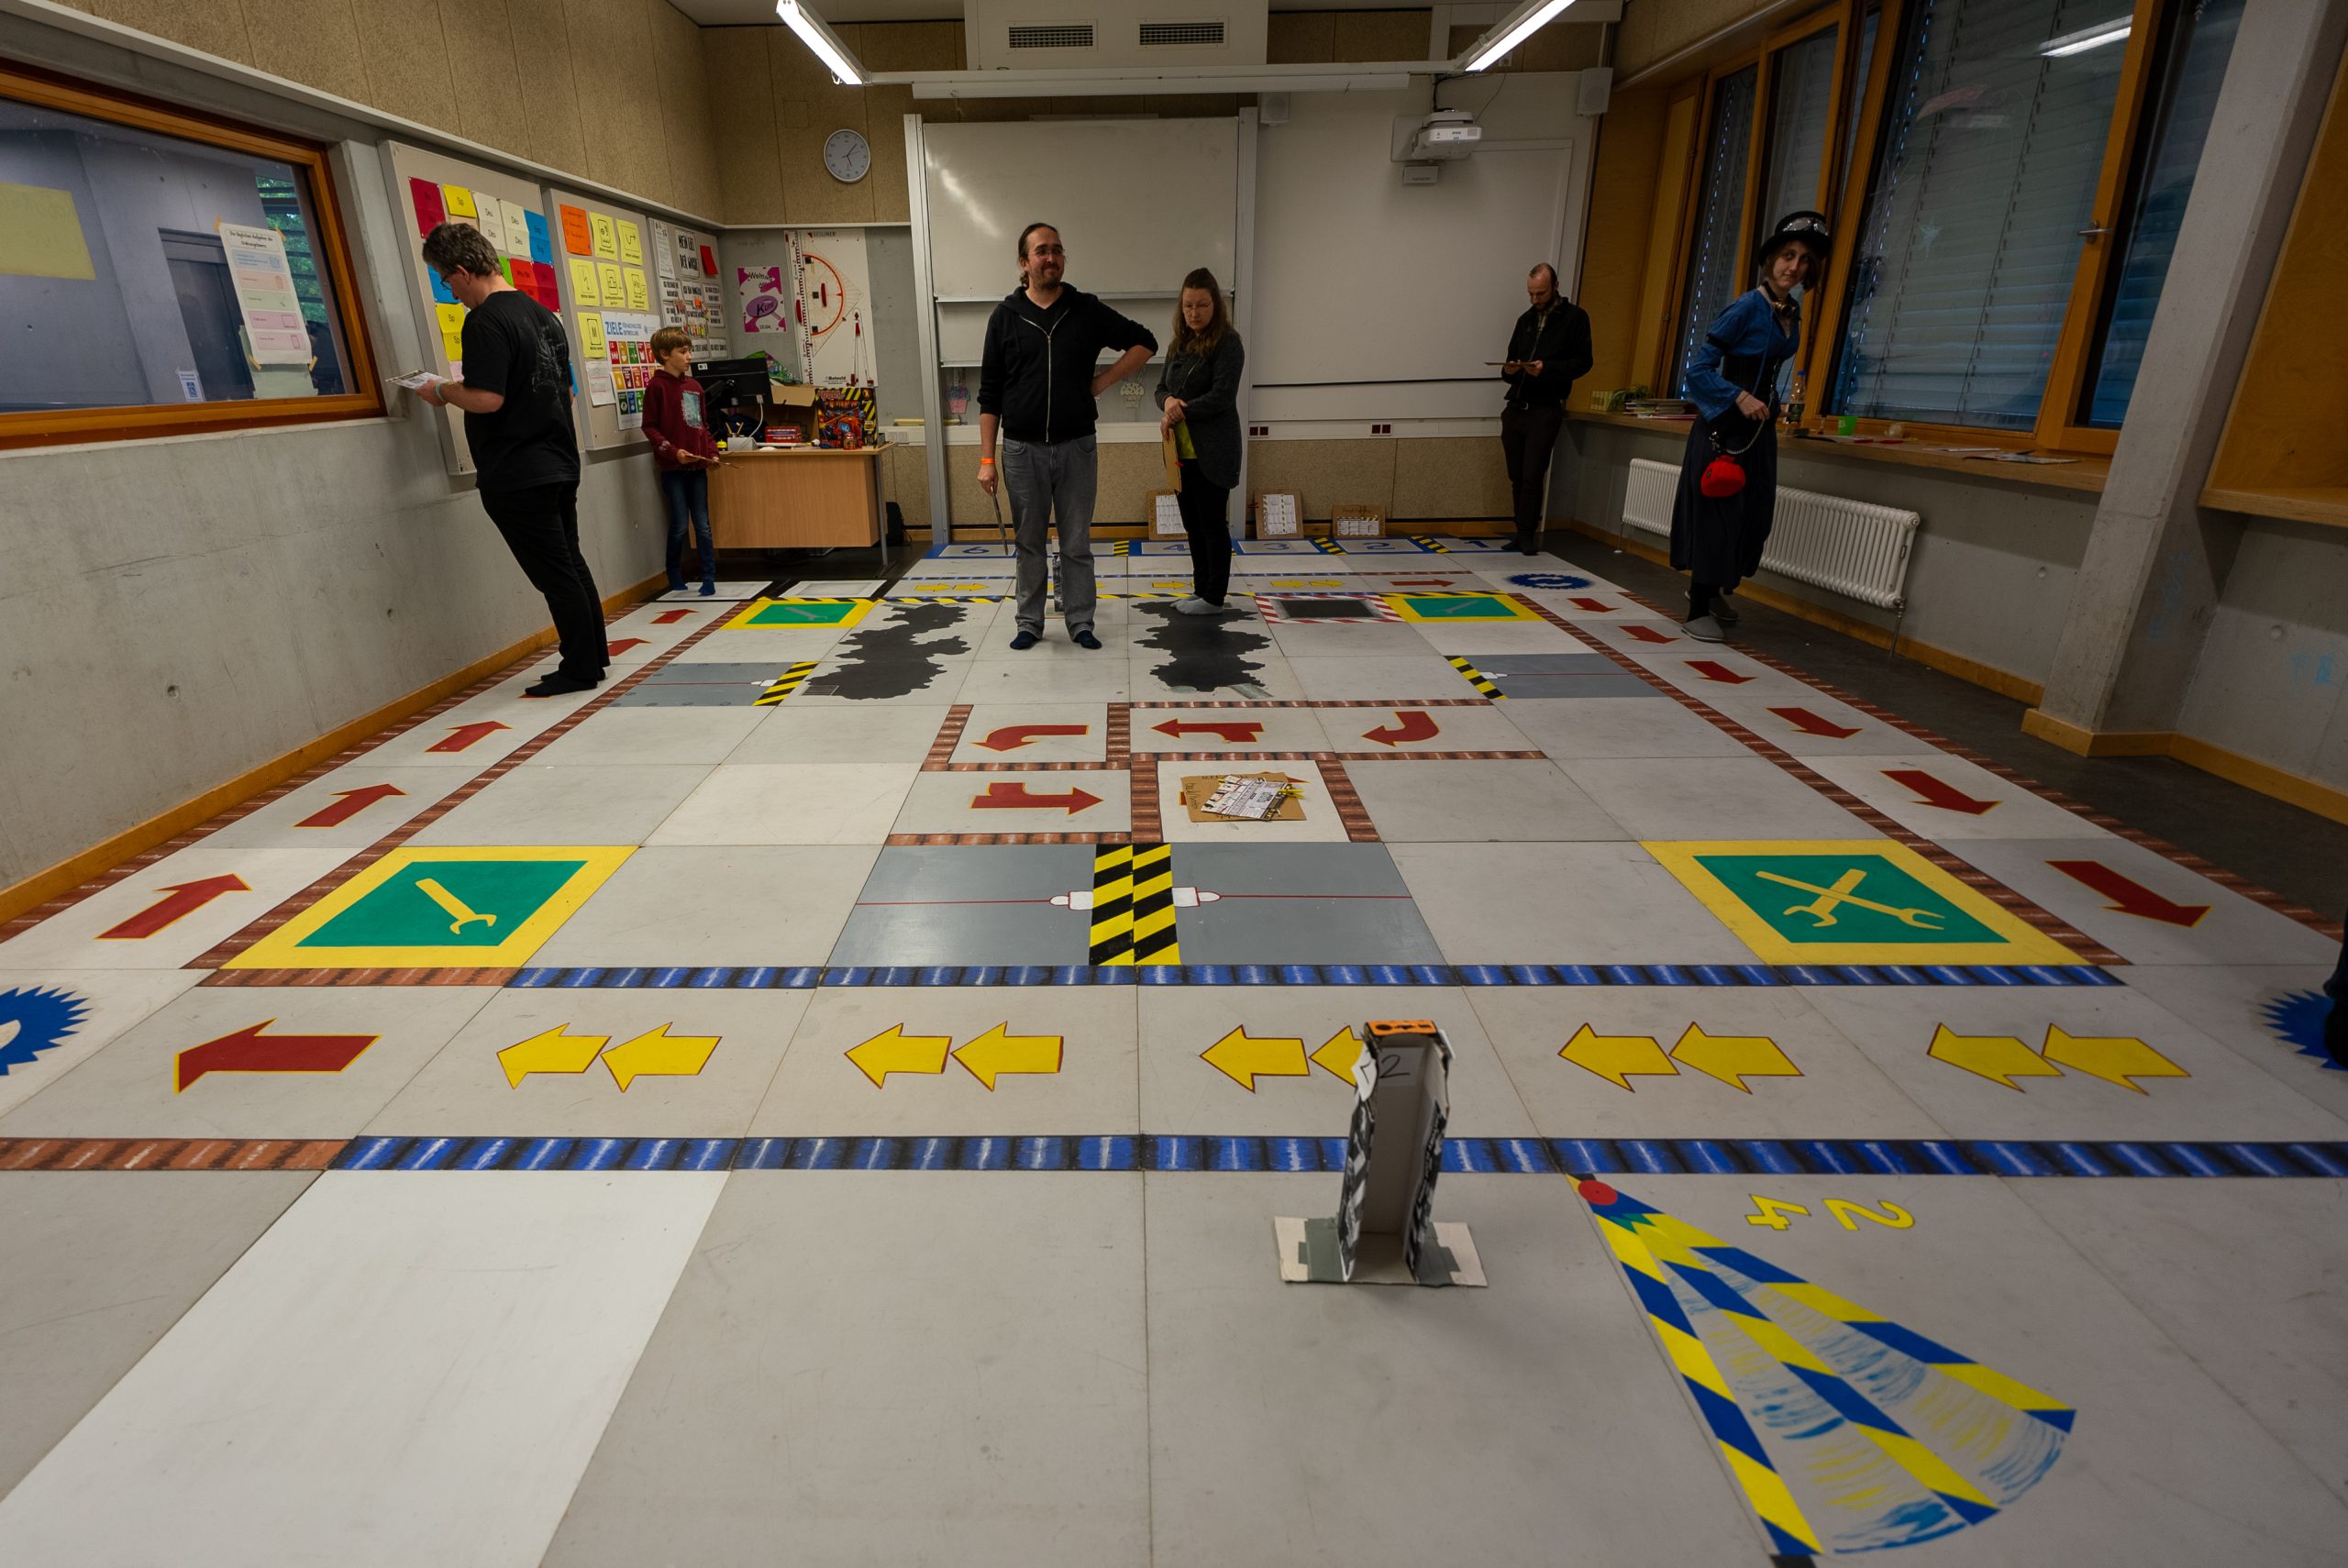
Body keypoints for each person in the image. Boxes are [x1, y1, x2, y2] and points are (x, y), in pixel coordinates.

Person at [410, 220, 606, 696]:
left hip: (519, 471)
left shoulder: (485, 321)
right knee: (570, 562)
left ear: (462, 270)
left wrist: (441, 390)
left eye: (446, 280)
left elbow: (487, 398)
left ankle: (580, 669)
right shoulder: (543, 315)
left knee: (553, 573)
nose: (452, 292)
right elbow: (566, 393)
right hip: (559, 459)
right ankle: (592, 657)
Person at [977, 223, 1157, 650]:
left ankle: (1080, 622)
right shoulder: (1005, 317)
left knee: (1076, 542)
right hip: (1021, 450)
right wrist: (986, 460)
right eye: (1041, 250)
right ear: (1024, 263)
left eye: (1057, 250)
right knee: (1029, 543)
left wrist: (1104, 381)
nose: (1051, 257)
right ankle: (1029, 623)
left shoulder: (1085, 310)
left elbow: (1144, 343)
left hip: (1077, 446)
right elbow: (989, 394)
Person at [1670, 210, 1831, 644]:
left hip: (1759, 432)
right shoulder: (1746, 307)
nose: (1793, 266)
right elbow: (1697, 370)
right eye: (1787, 255)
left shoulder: (1790, 311)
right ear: (1771, 259)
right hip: (1725, 431)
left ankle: (1716, 590)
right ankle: (1696, 607)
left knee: (1752, 516)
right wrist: (1738, 397)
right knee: (1718, 517)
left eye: (1804, 260)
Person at [1154, 268, 1246, 615]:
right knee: (1192, 524)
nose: (1194, 313)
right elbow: (1161, 388)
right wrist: (1167, 402)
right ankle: (1200, 588)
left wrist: (1180, 411)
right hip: (1181, 452)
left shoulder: (1228, 343)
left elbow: (1222, 395)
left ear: (1215, 305)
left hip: (1213, 451)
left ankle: (1214, 596)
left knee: (1211, 524)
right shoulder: (1179, 344)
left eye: (1202, 305)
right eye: (1188, 306)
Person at [1499, 263, 1592, 556]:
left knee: (1532, 474)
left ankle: (1527, 534)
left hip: (1545, 407)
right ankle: (1519, 531)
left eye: (1540, 293)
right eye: (1531, 293)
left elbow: (1583, 363)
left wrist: (1547, 369)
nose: (1535, 299)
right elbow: (1510, 361)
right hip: (1517, 406)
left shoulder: (1575, 318)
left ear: (1555, 287)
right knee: (1516, 475)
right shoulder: (1525, 320)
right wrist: (1510, 369)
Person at [642, 327, 719, 596]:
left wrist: (712, 452)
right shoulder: (656, 387)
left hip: (697, 468)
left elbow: (701, 426)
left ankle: (709, 577)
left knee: (703, 524)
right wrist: (673, 452)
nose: (689, 357)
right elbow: (650, 427)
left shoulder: (694, 387)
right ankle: (673, 572)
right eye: (683, 352)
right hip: (673, 469)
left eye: (689, 351)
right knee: (679, 524)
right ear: (665, 354)